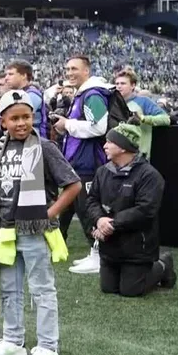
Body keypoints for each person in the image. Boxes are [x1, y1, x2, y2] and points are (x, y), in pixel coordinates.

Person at [0, 90, 81, 355]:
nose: (21, 123)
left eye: (26, 116)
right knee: (10, 289)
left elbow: (73, 185)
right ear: (3, 121)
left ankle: (49, 348)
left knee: (41, 290)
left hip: (35, 232)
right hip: (7, 231)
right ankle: (13, 340)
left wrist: (50, 213)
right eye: (15, 118)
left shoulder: (45, 147)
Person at [86, 124, 175, 297]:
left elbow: (146, 209)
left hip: (137, 248)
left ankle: (164, 264)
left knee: (131, 290)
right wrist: (99, 220)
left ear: (122, 147)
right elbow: (91, 200)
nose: (104, 146)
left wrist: (112, 224)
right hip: (110, 246)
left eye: (109, 142)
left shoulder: (149, 175)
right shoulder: (102, 172)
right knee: (108, 288)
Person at [51, 56, 112, 275]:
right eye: (67, 68)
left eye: (74, 68)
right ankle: (96, 253)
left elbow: (99, 127)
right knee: (78, 207)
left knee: (89, 210)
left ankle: (102, 256)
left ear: (86, 70)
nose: (69, 72)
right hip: (79, 161)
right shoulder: (83, 94)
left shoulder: (93, 94)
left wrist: (67, 124)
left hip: (89, 163)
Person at [113, 68, 170, 158]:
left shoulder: (143, 101)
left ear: (133, 85)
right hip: (116, 156)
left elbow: (166, 119)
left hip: (139, 156)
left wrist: (143, 118)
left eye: (123, 83)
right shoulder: (112, 103)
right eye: (117, 84)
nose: (119, 86)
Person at [3, 60, 48, 138]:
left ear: (24, 75)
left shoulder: (32, 95)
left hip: (35, 142)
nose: (6, 78)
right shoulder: (21, 93)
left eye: (11, 74)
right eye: (6, 74)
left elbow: (13, 116)